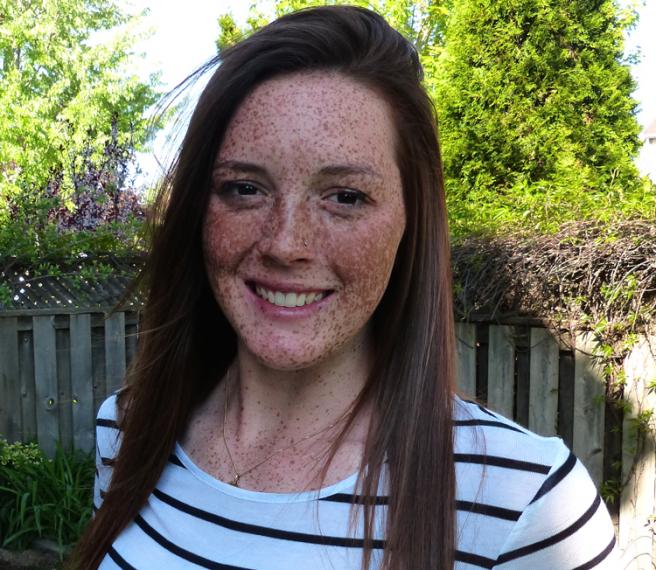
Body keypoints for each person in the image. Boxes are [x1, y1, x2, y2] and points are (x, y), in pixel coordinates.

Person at [71, 6, 618, 569]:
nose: (285, 243)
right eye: (243, 188)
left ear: (411, 222)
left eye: (345, 197)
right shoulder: (129, 430)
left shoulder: (526, 506)